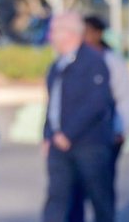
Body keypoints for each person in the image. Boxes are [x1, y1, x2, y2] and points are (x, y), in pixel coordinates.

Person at [42, 12, 115, 222]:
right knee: (58, 200)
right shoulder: (57, 65)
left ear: (70, 34)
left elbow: (97, 104)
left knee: (99, 199)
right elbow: (52, 105)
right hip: (58, 147)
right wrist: (48, 135)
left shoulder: (94, 62)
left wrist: (68, 133)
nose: (51, 35)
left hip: (90, 145)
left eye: (54, 30)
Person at [67, 15, 129, 222]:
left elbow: (123, 98)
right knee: (75, 191)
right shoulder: (72, 58)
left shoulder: (111, 61)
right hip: (78, 137)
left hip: (107, 135)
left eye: (87, 32)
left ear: (98, 34)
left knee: (101, 189)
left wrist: (120, 130)